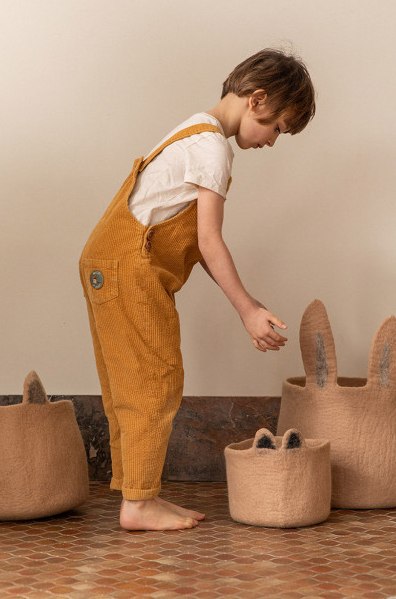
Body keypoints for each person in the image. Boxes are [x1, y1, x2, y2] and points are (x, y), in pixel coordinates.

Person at [79, 48, 316, 531]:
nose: (273, 142)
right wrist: (248, 309)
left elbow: (194, 245)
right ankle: (140, 504)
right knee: (155, 378)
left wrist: (245, 304)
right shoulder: (212, 149)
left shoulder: (193, 130)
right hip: (131, 267)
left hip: (107, 261)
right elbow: (209, 240)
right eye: (278, 128)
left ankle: (137, 495)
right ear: (257, 99)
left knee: (129, 381)